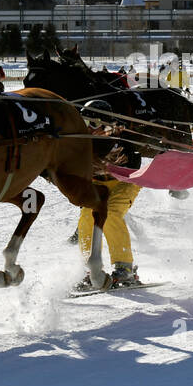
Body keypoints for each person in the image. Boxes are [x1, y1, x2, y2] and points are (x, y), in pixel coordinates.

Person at [75, 99, 145, 290]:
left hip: (125, 183)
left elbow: (135, 162)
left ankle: (125, 268)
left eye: (94, 124)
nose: (89, 128)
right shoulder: (81, 139)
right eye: (85, 122)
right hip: (98, 183)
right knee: (86, 217)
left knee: (111, 213)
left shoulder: (120, 136)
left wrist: (113, 162)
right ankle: (91, 269)